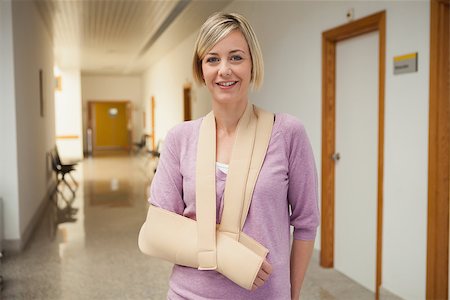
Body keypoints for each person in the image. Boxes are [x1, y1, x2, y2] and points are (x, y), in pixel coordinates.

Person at [148, 12, 319, 300]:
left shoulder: (288, 133)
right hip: (189, 294)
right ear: (201, 69)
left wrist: (291, 294)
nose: (224, 69)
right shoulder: (180, 139)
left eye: (236, 57)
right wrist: (227, 254)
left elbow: (306, 223)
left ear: (253, 65)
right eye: (212, 59)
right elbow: (157, 230)